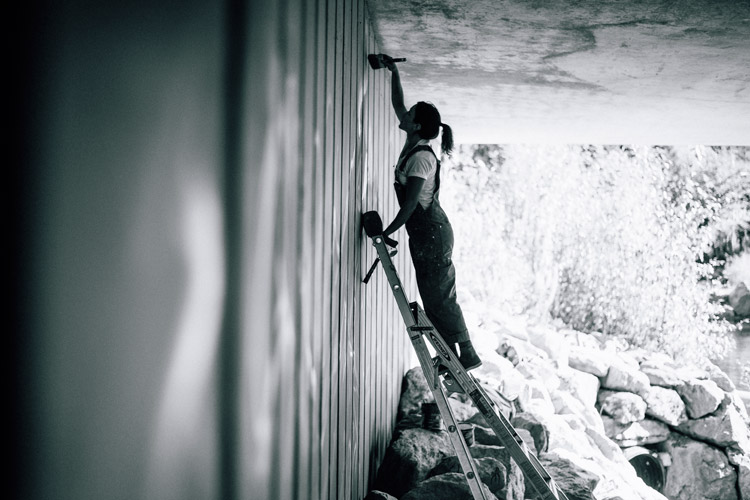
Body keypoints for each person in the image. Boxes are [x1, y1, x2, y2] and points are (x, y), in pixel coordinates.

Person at [378, 54, 482, 371]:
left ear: (418, 124)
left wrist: (386, 233)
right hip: (423, 234)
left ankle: (468, 353)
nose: (404, 114)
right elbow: (398, 103)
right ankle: (448, 355)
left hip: (432, 233)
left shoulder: (422, 158)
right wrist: (393, 70)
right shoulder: (413, 140)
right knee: (431, 296)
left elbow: (410, 205)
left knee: (440, 297)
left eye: (410, 114)